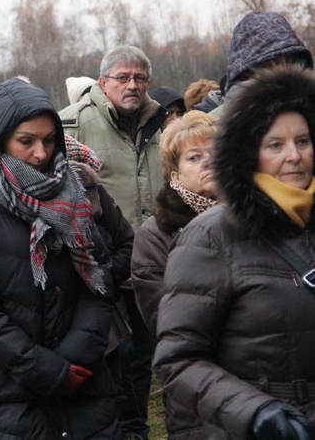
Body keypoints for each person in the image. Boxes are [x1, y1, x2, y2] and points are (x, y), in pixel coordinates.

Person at [0, 77, 118, 439]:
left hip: (82, 387)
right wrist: (45, 370)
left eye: (49, 140)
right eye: (26, 141)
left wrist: (73, 358)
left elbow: (99, 279)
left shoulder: (72, 195)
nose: (41, 153)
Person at [154, 64, 315, 439]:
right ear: (249, 153)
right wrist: (256, 412)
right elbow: (178, 360)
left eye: (303, 141)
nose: (294, 155)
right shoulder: (210, 237)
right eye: (275, 144)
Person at [59, 45, 167, 439]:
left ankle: (135, 427)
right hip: (97, 267)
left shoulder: (162, 124)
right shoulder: (69, 124)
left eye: (140, 77)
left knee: (142, 355)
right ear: (102, 82)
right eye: (122, 77)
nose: (132, 85)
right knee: (107, 355)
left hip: (150, 265)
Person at [131, 110, 219, 438]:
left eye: (216, 153)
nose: (208, 162)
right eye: (194, 157)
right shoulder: (155, 237)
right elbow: (169, 325)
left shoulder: (257, 219)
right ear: (174, 175)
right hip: (197, 397)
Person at [210, 11, 313, 117]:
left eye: (289, 62)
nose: (283, 72)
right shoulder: (212, 128)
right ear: (245, 74)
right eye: (270, 65)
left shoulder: (308, 111)